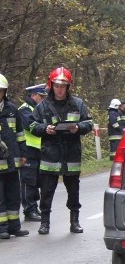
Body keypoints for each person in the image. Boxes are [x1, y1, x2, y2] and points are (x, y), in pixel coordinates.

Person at [30, 67, 94, 235]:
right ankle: (45, 223)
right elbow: (31, 125)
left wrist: (78, 127)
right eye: (57, 85)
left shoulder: (78, 104)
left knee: (73, 191)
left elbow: (89, 123)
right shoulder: (42, 106)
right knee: (46, 191)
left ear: (68, 87)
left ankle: (75, 222)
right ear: (51, 86)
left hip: (71, 154)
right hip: (50, 155)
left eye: (63, 86)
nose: (59, 89)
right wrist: (45, 129)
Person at [0, 74, 29, 239]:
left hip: (12, 162)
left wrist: (23, 153)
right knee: (0, 198)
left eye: (0, 91)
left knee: (13, 195)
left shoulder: (12, 109)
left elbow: (20, 134)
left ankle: (14, 227)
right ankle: (2, 228)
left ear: (5, 91)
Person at [18, 83, 46, 222]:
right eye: (41, 96)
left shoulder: (37, 108)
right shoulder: (24, 109)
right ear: (33, 95)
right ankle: (29, 210)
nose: (43, 99)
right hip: (27, 150)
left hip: (38, 150)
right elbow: (30, 127)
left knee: (36, 182)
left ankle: (34, 208)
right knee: (28, 181)